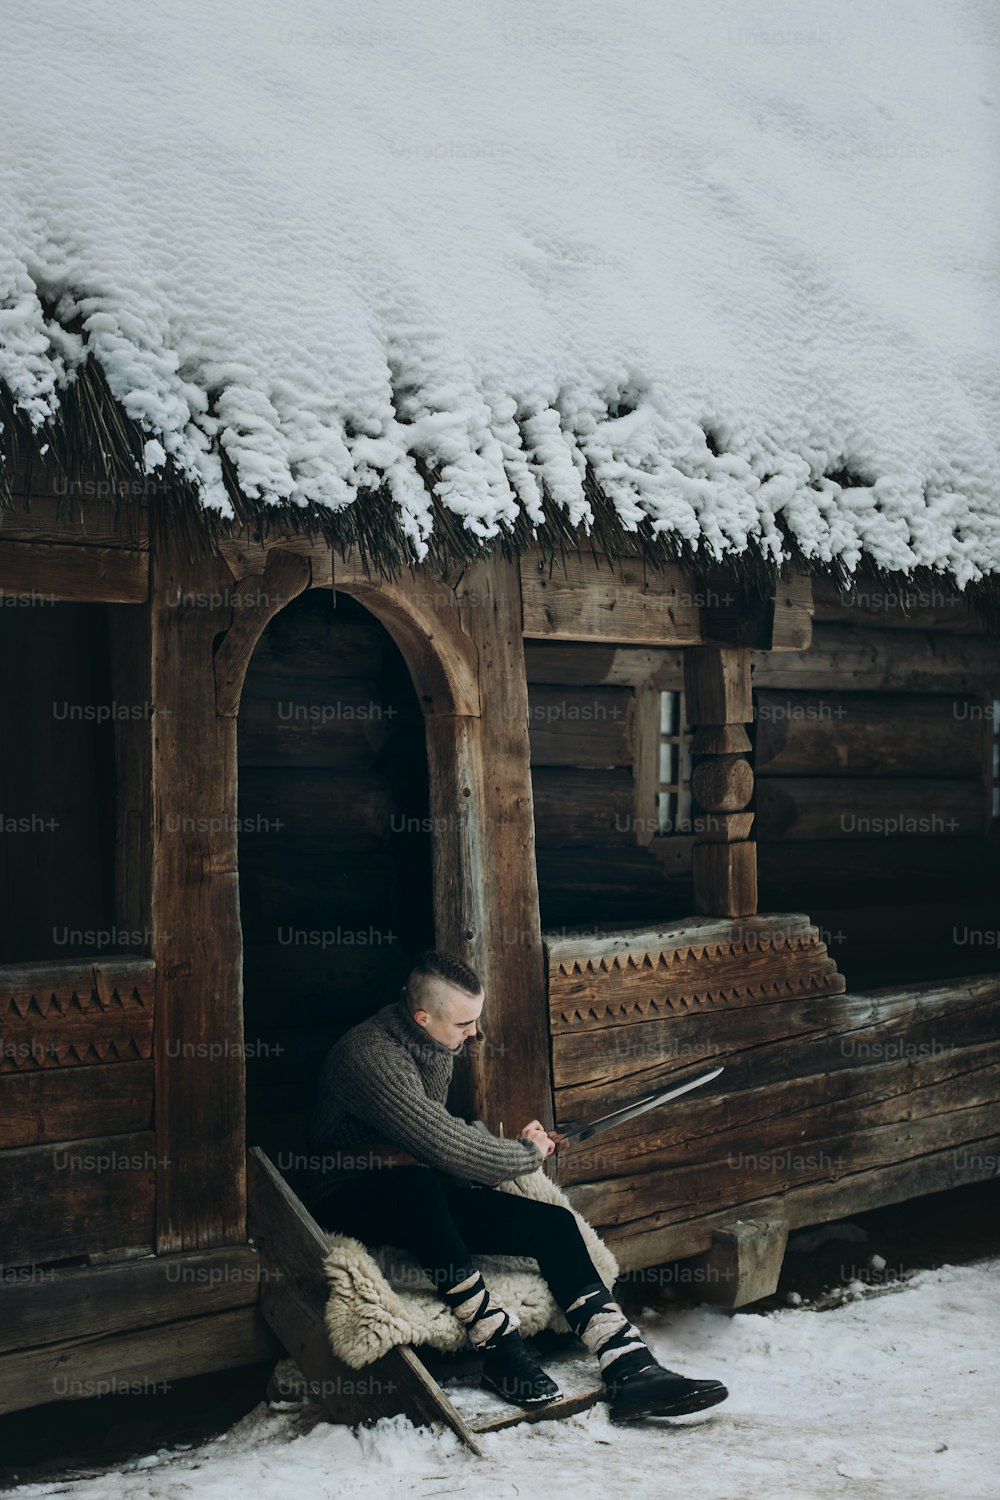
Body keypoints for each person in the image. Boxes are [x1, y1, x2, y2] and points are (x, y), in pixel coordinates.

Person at [305, 949, 729, 1421]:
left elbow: (439, 1146)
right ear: (422, 1016)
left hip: (416, 1189)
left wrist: (521, 1149)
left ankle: (631, 1368)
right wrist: (526, 1155)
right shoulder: (369, 1056)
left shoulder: (433, 1043)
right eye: (464, 1023)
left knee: (551, 1224)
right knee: (416, 1187)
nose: (474, 1033)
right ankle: (500, 1352)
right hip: (348, 1194)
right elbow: (446, 1147)